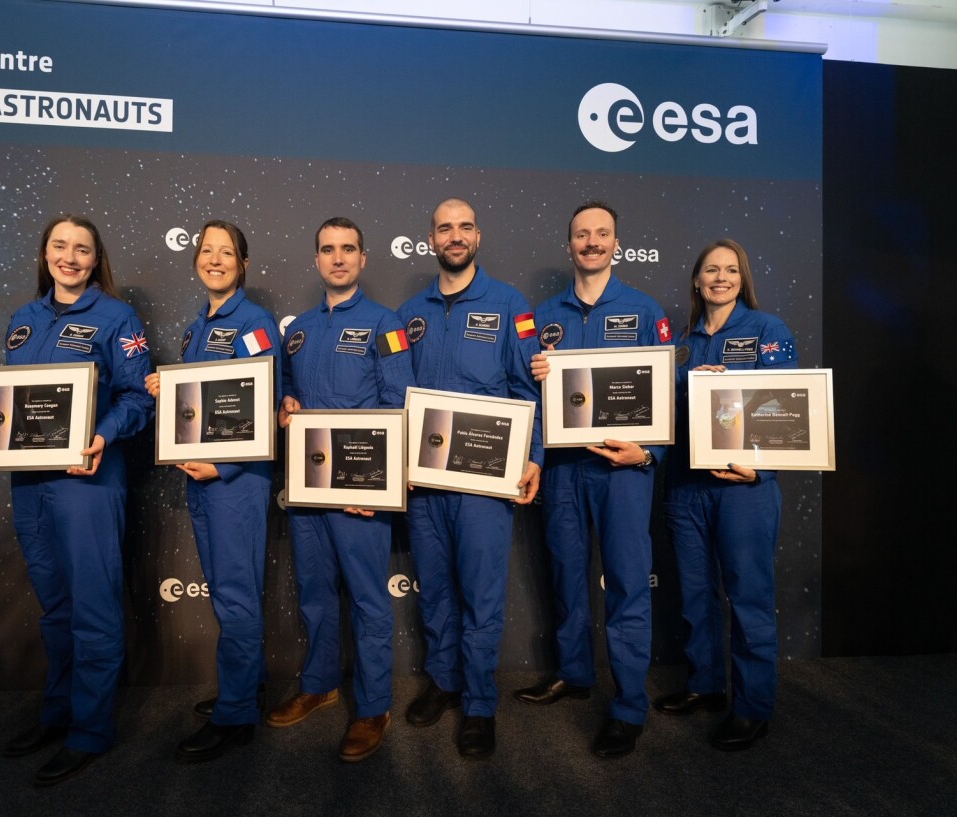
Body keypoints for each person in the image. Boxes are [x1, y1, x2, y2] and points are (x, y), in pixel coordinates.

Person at [0, 214, 154, 786]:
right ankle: (57, 713)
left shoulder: (117, 317)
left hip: (86, 478)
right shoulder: (24, 318)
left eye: (82, 249)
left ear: (95, 260)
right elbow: (10, 407)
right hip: (29, 483)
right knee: (56, 608)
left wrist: (102, 436)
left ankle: (89, 731)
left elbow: (139, 398)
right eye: (60, 246)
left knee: (92, 608)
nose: (70, 256)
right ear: (44, 253)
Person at [516, 201, 670, 759]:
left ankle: (629, 706)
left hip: (622, 468)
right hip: (562, 468)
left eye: (602, 233)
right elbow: (528, 397)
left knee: (628, 582)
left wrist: (648, 451)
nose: (592, 243)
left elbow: (664, 392)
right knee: (565, 573)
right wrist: (535, 377)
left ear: (615, 243)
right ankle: (574, 672)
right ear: (569, 245)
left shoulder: (644, 308)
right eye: (582, 235)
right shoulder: (539, 316)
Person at [396, 198, 542, 759]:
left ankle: (479, 703)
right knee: (434, 591)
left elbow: (529, 391)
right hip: (426, 484)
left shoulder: (510, 305)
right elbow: (395, 395)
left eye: (463, 227)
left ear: (477, 235)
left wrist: (534, 457)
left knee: (481, 596)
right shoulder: (409, 313)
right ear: (430, 238)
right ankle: (444, 681)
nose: (454, 236)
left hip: (486, 480)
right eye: (443, 228)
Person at [269, 216, 416, 762]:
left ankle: (373, 704)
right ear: (316, 260)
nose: (338, 258)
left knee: (368, 598)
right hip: (308, 486)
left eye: (348, 249)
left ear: (363, 259)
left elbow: (400, 402)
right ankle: (320, 683)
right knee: (314, 592)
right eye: (327, 249)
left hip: (359, 486)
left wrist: (375, 484)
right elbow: (287, 390)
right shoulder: (298, 329)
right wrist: (286, 405)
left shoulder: (387, 323)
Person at [144, 220, 280, 763]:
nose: (215, 259)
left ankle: (235, 718)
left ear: (243, 263)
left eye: (226, 252)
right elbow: (202, 405)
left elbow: (264, 403)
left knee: (236, 597)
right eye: (207, 251)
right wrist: (165, 388)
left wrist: (221, 466)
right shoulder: (196, 325)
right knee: (229, 595)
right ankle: (242, 691)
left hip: (235, 482)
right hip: (202, 478)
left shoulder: (254, 322)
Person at [654, 238, 797, 751]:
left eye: (730, 270)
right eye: (710, 270)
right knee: (694, 595)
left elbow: (787, 410)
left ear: (742, 278)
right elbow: (659, 409)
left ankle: (752, 706)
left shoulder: (766, 330)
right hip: (687, 487)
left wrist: (760, 469)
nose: (720, 278)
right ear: (696, 280)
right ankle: (705, 685)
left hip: (743, 488)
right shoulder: (684, 343)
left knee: (748, 599)